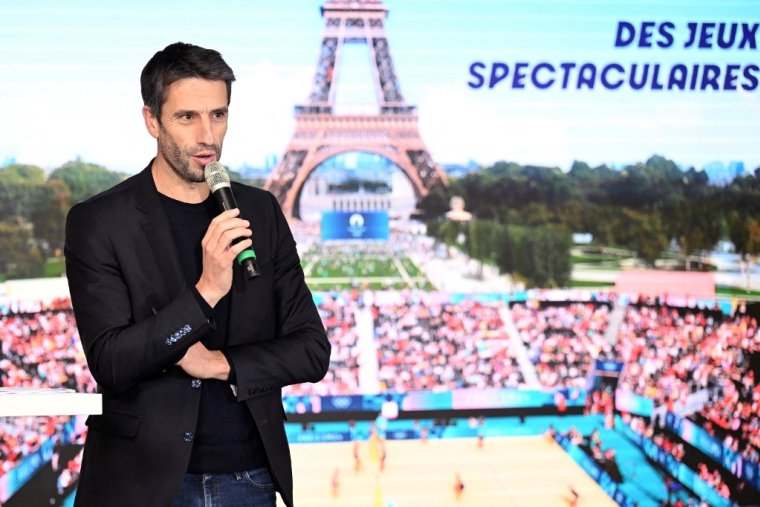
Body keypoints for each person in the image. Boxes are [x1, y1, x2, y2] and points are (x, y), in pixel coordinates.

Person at [64, 42, 330, 507]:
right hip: (142, 482)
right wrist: (205, 292)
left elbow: (311, 350)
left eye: (218, 115)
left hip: (249, 479)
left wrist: (220, 364)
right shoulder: (100, 221)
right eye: (187, 117)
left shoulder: (261, 212)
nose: (208, 136)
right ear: (152, 121)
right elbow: (110, 362)